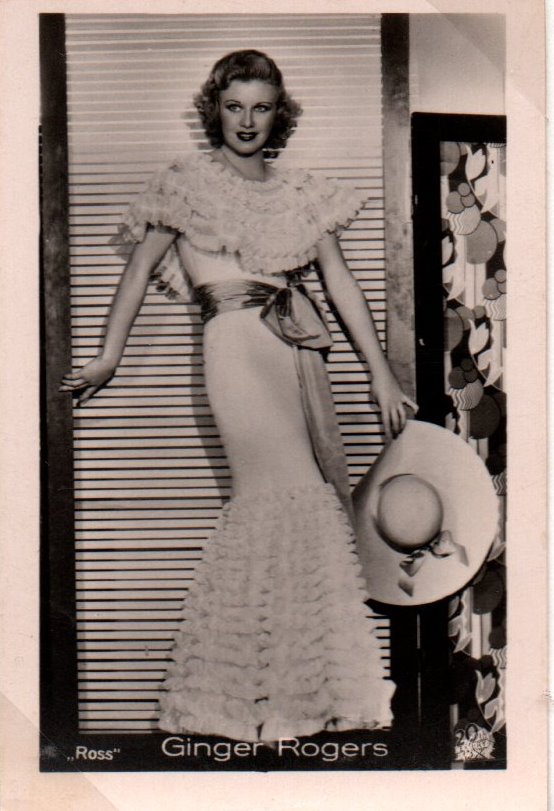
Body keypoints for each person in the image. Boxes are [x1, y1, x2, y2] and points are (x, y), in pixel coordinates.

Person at [60, 50, 417, 744]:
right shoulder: (186, 184)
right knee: (278, 500)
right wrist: (109, 355)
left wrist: (379, 371)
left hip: (294, 353)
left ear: (279, 114)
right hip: (235, 352)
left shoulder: (300, 192)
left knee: (307, 504)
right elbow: (136, 274)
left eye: (261, 107)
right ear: (213, 110)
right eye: (234, 106)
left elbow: (341, 283)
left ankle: (295, 697)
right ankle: (240, 697)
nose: (247, 121)